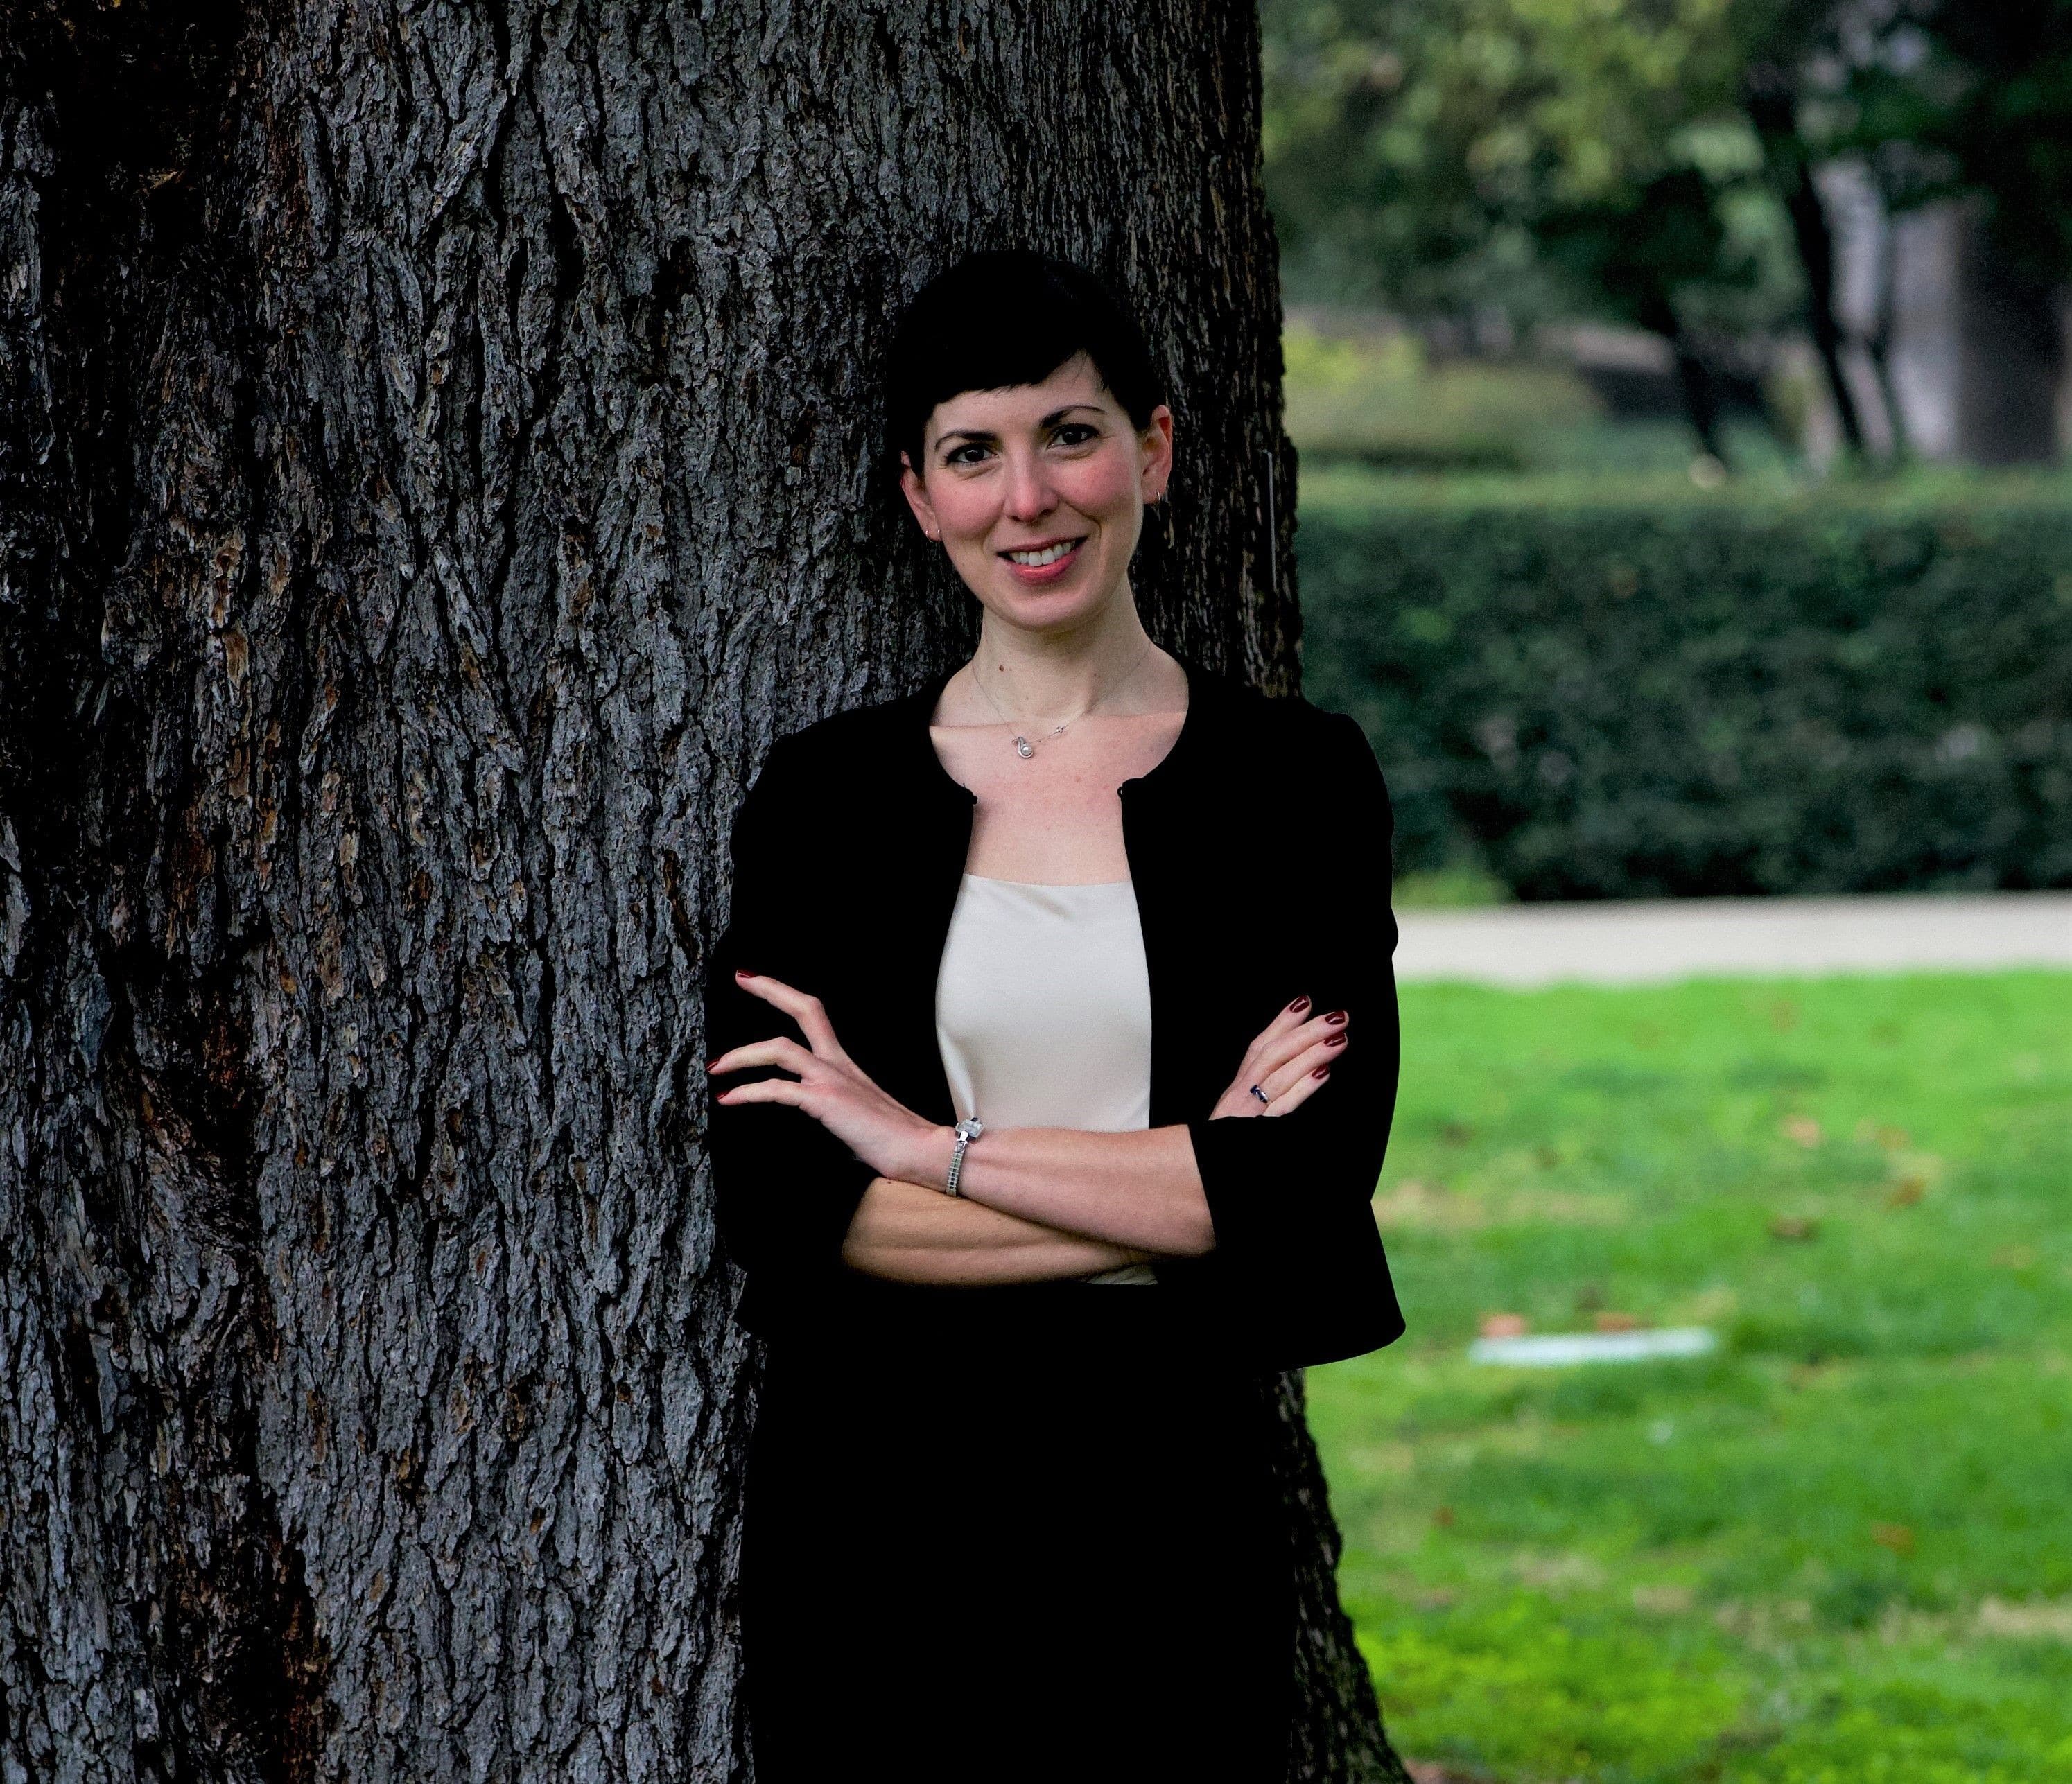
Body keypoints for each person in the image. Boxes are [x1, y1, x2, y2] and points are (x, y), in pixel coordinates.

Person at [703, 250, 1405, 1782]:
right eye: (973, 453)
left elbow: (1305, 1182)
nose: (1027, 499)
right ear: (920, 496)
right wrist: (1188, 1185)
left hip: (1169, 1497)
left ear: (1151, 449)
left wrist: (923, 1152)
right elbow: (782, 1202)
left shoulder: (1293, 784)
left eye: (1068, 435)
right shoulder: (824, 799)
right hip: (874, 1500)